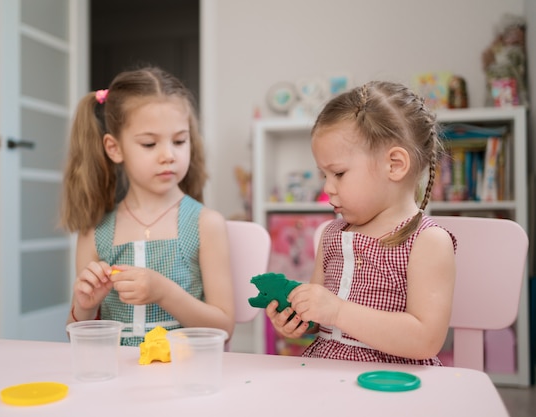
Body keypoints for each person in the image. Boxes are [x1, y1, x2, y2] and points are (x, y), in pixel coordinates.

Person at [266, 81, 457, 365]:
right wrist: (299, 319)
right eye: (324, 176)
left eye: (339, 174)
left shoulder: (428, 241)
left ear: (394, 165)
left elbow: (425, 340)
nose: (328, 188)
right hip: (326, 371)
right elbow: (321, 319)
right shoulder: (331, 235)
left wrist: (338, 312)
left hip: (392, 380)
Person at [61, 67, 235, 346]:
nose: (168, 155)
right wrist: (83, 307)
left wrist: (164, 293)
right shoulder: (95, 232)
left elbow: (224, 329)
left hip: (184, 376)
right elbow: (75, 337)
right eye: (149, 143)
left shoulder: (205, 223)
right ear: (114, 148)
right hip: (118, 382)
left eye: (179, 140)